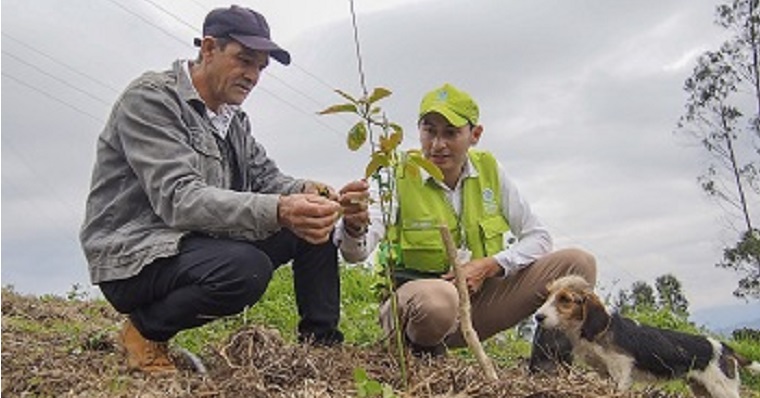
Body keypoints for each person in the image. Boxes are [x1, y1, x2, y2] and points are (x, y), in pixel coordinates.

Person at [80, 5, 369, 373]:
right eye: (244, 60)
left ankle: (322, 345)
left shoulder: (232, 120)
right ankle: (144, 331)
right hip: (136, 257)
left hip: (193, 246)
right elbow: (179, 199)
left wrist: (309, 192)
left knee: (313, 221)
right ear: (209, 49)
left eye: (260, 67)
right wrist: (280, 208)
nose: (252, 75)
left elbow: (266, 179)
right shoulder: (151, 100)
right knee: (245, 269)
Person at [339, 83, 597, 372]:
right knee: (439, 301)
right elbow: (355, 254)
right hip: (418, 309)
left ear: (475, 135)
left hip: (476, 305)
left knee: (578, 264)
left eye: (450, 133)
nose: (437, 145)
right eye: (429, 131)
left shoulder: (488, 170)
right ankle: (422, 359)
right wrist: (354, 225)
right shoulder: (395, 172)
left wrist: (491, 265)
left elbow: (538, 237)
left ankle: (548, 371)